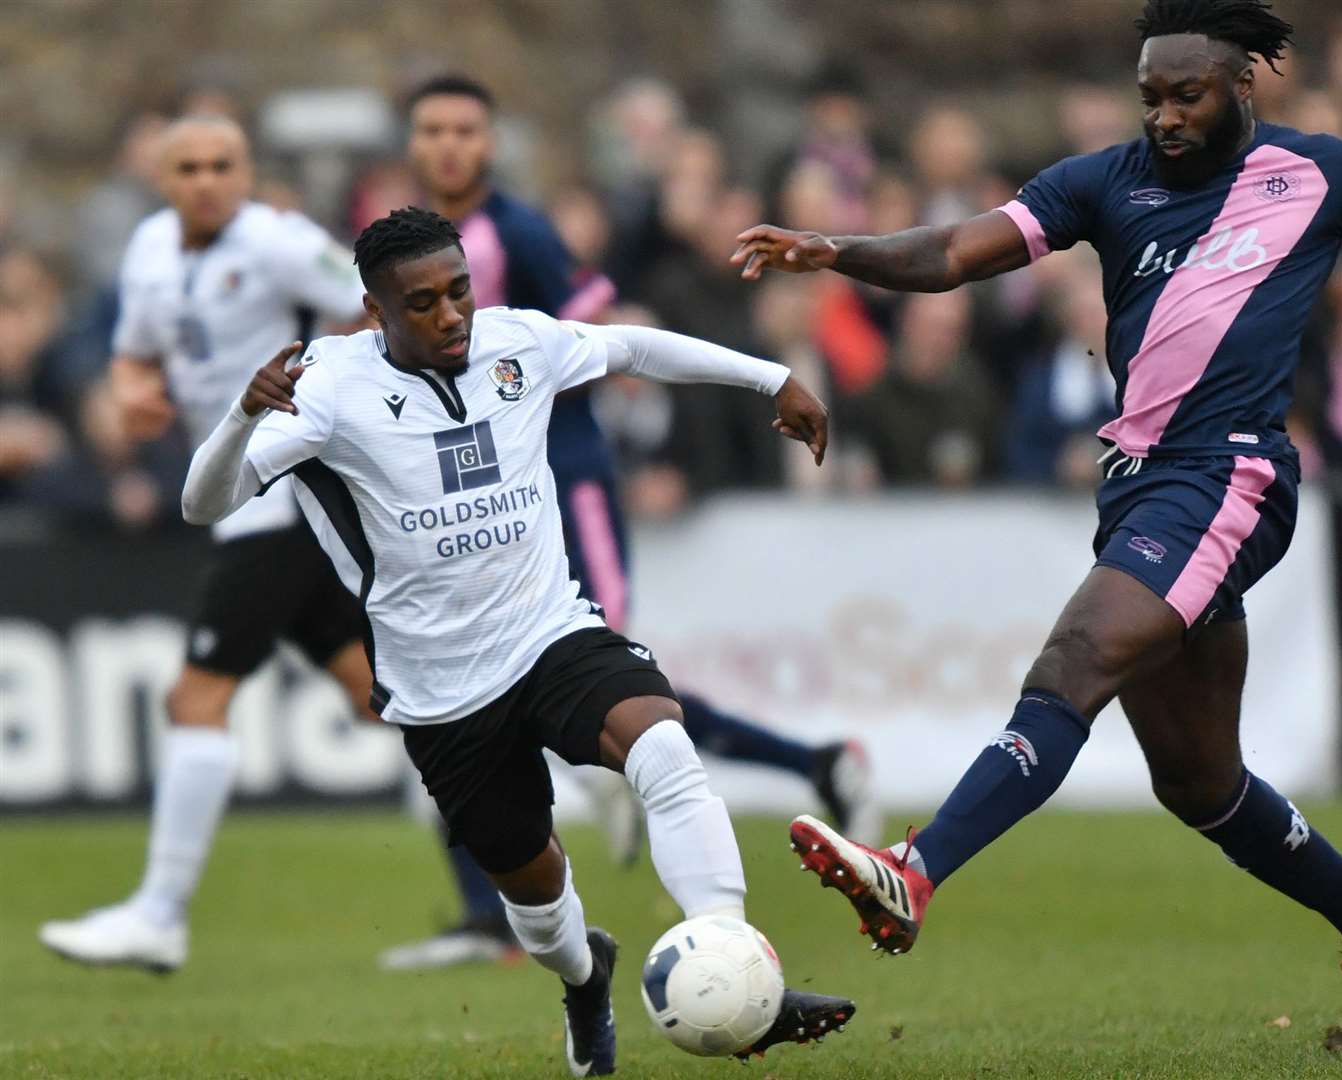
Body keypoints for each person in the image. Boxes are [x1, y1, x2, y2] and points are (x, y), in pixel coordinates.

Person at [732, 0, 1342, 1056]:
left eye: (1186, 96)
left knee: (1076, 657)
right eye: (1150, 98)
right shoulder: (1103, 180)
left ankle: (913, 873)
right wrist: (838, 249)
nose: (1165, 118)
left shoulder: (1327, 175)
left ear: (1243, 86)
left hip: (1228, 477)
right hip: (1140, 490)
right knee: (1195, 781)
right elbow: (958, 251)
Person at [180, 206, 853, 1074]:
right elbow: (204, 505)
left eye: (459, 290)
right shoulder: (326, 390)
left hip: (549, 633)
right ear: (375, 309)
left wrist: (772, 379)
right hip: (439, 690)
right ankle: (584, 978)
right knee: (537, 900)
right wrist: (241, 414)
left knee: (664, 748)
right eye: (422, 302)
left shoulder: (518, 343)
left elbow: (635, 348)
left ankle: (732, 959)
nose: (452, 313)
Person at [383, 74, 879, 972]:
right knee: (463, 683)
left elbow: (603, 340)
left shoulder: (520, 233)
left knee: (599, 665)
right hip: (463, 499)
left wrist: (665, 451)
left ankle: (805, 764)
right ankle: (495, 905)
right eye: (432, 129)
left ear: (490, 142)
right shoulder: (411, 252)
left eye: (465, 128)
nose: (449, 145)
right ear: (411, 143)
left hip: (561, 479)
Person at [38, 115, 374, 973]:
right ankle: (562, 783)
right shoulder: (151, 249)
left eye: (224, 165)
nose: (207, 181)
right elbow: (133, 358)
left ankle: (159, 913)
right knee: (382, 696)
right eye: (188, 167)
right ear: (163, 178)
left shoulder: (279, 242)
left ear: (247, 170)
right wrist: (131, 394)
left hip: (281, 495)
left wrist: (333, 397)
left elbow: (371, 302)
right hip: (228, 496)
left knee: (194, 702)